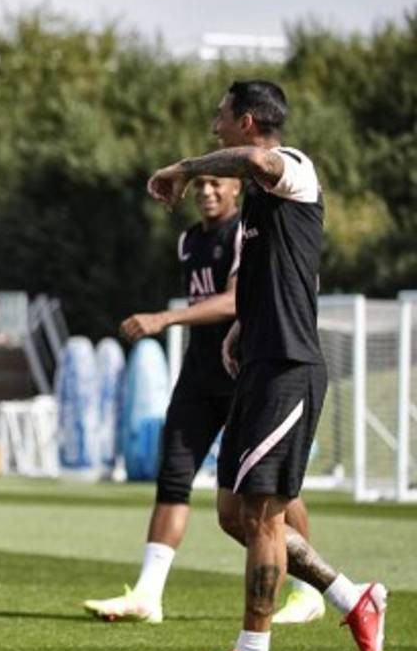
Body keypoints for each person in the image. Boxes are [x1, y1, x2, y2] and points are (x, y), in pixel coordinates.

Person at [148, 80, 386, 651]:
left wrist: (181, 167)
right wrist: (238, 330)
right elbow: (275, 274)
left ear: (248, 120)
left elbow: (255, 160)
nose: (213, 124)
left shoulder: (294, 169)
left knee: (261, 514)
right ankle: (352, 596)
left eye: (220, 115)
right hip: (258, 360)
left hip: (289, 368)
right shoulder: (259, 201)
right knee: (233, 514)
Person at [83, 175, 325, 625]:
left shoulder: (245, 232)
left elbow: (236, 302)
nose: (206, 192)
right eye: (200, 186)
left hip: (244, 373)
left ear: (236, 189)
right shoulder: (189, 240)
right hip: (198, 375)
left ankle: (308, 590)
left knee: (272, 491)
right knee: (173, 476)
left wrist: (164, 318)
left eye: (217, 183)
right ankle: (148, 594)